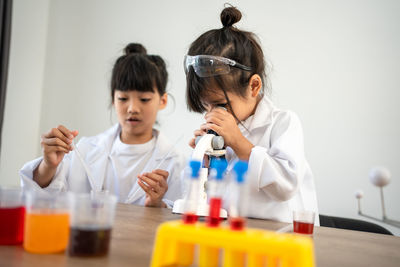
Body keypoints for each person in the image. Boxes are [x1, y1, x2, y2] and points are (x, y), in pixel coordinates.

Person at [185, 6, 319, 223]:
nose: (211, 114)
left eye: (219, 105)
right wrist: (204, 163)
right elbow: (209, 200)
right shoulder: (220, 132)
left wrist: (239, 143)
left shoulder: (283, 123)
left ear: (254, 86)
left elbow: (286, 186)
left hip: (282, 240)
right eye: (205, 106)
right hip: (234, 235)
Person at [20, 43, 184, 208]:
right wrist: (49, 165)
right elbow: (43, 199)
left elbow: (179, 217)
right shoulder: (85, 150)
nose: (133, 108)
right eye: (123, 98)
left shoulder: (176, 163)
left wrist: (158, 205)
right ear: (113, 99)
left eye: (144, 99)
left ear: (162, 101)